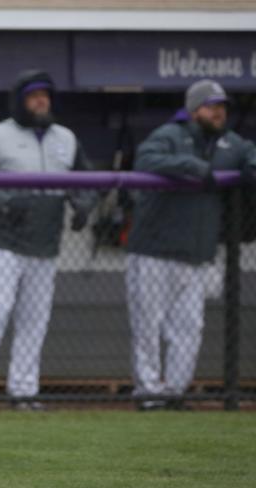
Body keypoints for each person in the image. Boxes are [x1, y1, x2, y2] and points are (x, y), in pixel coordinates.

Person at [0, 70, 95, 409]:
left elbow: (88, 179)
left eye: (46, 95)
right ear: (20, 100)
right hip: (4, 242)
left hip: (46, 244)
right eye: (34, 95)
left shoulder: (66, 137)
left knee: (34, 320)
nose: (41, 101)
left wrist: (83, 204)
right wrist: (2, 200)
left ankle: (23, 391)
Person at [126, 79, 256, 410]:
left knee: (189, 328)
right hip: (153, 250)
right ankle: (149, 393)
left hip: (197, 253)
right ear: (194, 109)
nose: (219, 112)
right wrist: (195, 168)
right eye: (212, 106)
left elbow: (251, 158)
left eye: (222, 106)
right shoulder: (171, 135)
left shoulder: (231, 143)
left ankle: (174, 393)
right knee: (147, 325)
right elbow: (145, 159)